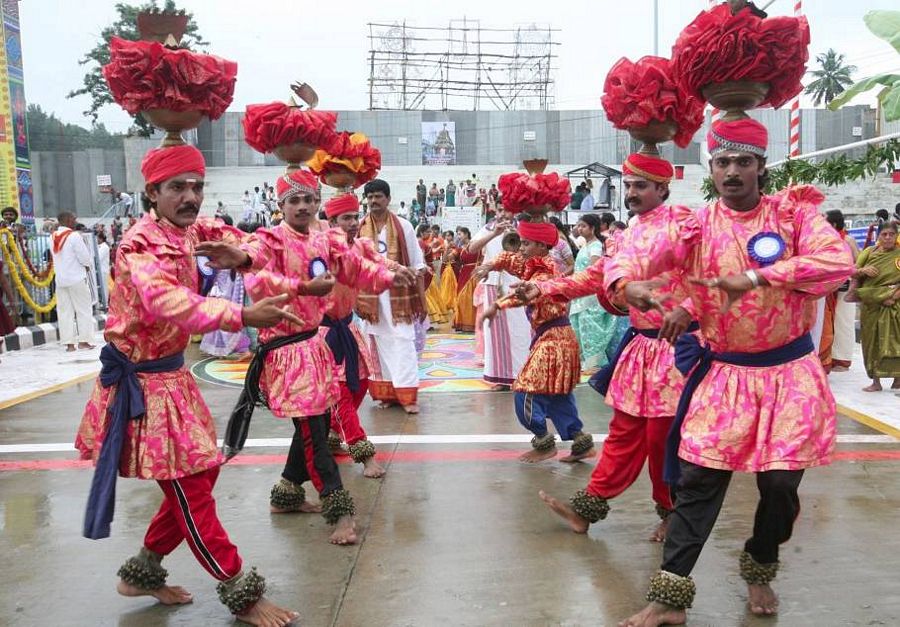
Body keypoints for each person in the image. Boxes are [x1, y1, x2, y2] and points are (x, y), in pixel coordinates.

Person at [614, 118, 854, 625]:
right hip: (725, 376)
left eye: (743, 161)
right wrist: (630, 286)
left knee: (781, 486)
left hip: (789, 373)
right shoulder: (697, 223)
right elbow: (641, 259)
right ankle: (669, 597)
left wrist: (757, 276)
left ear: (760, 167)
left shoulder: (792, 216)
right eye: (722, 162)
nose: (732, 171)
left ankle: (761, 561)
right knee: (699, 482)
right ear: (712, 169)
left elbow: (838, 262)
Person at [75, 144, 299, 626]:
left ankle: (144, 571)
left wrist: (240, 253)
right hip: (144, 390)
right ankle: (241, 593)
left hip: (173, 379)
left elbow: (262, 243)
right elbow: (164, 301)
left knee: (202, 478)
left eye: (196, 186)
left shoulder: (198, 230)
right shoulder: (136, 245)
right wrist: (239, 313)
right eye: (177, 187)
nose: (190, 196)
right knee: (193, 493)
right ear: (152, 192)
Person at [517, 152, 696, 543]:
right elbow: (594, 278)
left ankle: (672, 514)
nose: (631, 193)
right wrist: (544, 287)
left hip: (675, 349)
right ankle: (587, 508)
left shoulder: (683, 224)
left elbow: (708, 274)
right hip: (640, 349)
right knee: (623, 432)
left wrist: (688, 309)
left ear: (663, 189)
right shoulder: (626, 234)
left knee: (661, 439)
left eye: (640, 186)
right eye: (628, 185)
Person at [478, 220, 595, 463]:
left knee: (525, 389)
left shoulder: (544, 271)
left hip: (553, 341)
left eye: (526, 243)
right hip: (558, 338)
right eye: (520, 242)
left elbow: (529, 291)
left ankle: (543, 442)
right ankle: (580, 443)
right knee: (556, 394)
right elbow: (510, 259)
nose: (520, 247)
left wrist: (497, 305)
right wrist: (490, 264)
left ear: (542, 246)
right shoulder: (534, 263)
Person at [322, 193, 415, 477]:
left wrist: (401, 270)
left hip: (349, 327)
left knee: (360, 384)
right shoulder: (320, 248)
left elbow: (378, 261)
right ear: (331, 222)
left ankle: (330, 434)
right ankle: (363, 453)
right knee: (341, 397)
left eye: (353, 217)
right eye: (345, 219)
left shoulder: (361, 245)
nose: (352, 223)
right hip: (324, 334)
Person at [357, 179, 427, 414]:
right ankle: (388, 395)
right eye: (370, 197)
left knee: (403, 343)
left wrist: (422, 300)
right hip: (372, 299)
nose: (373, 201)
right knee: (378, 344)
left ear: (388, 199)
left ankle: (408, 397)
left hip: (400, 298)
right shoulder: (360, 228)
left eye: (378, 196)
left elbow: (417, 266)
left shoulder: (404, 226)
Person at [466, 209, 530, 390]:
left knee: (520, 331)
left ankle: (521, 374)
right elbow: (471, 249)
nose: (504, 214)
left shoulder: (523, 227)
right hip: (493, 283)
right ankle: (501, 378)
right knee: (495, 334)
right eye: (500, 210)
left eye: (508, 210)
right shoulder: (489, 227)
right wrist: (495, 233)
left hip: (516, 283)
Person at [568, 214, 621, 369]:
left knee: (590, 330)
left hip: (589, 294)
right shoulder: (586, 245)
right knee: (580, 327)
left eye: (583, 226)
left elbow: (594, 270)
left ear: (592, 228)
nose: (579, 228)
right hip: (580, 292)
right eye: (579, 225)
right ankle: (585, 362)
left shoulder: (596, 246)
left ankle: (594, 364)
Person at [852, 220, 900, 392]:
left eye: (891, 234)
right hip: (871, 305)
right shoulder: (868, 252)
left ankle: (897, 378)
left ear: (896, 235)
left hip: (895, 304)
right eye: (884, 234)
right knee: (871, 341)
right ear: (878, 236)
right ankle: (876, 381)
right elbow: (852, 271)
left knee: (896, 341)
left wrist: (892, 296)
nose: (888, 238)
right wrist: (863, 271)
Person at [51, 211, 96, 352]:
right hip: (76, 277)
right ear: (69, 220)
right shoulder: (74, 236)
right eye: (74, 218)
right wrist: (88, 265)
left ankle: (69, 344)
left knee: (65, 311)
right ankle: (84, 341)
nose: (75, 221)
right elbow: (84, 257)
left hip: (61, 279)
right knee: (83, 310)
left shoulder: (52, 237)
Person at [821, 210, 859, 372]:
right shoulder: (824, 241)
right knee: (828, 323)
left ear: (834, 224)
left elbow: (858, 262)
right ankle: (827, 358)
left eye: (825, 221)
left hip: (845, 287)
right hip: (828, 287)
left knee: (844, 323)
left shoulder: (848, 240)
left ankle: (842, 359)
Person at [96, 231, 112, 309]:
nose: (96, 240)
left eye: (97, 238)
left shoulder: (104, 247)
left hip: (103, 270)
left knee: (105, 287)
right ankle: (103, 302)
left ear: (101, 239)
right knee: (101, 287)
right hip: (100, 270)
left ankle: (105, 304)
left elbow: (98, 257)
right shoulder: (99, 246)